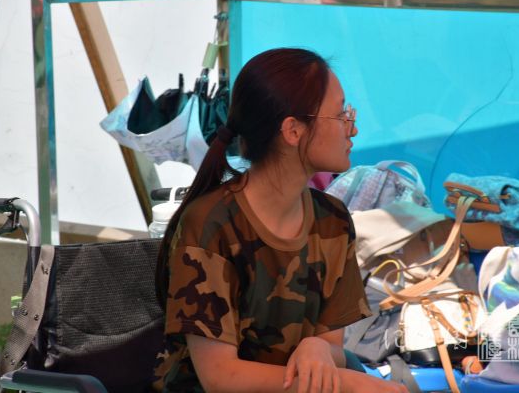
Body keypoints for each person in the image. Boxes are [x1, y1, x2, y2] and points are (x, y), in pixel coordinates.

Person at [154, 48, 408, 393]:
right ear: (293, 130)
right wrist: (350, 384)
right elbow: (220, 378)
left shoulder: (333, 221)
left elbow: (333, 348)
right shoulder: (211, 225)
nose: (353, 129)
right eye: (341, 115)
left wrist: (318, 348)